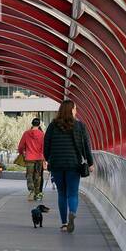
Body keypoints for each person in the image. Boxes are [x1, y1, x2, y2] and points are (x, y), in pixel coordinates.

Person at [42, 99, 94, 233]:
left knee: (61, 193)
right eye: (75, 108)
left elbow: (46, 145)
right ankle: (72, 212)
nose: (76, 110)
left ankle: (64, 223)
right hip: (73, 164)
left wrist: (48, 159)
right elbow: (86, 146)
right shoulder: (80, 126)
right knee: (72, 193)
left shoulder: (53, 125)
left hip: (57, 164)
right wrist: (90, 162)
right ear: (71, 110)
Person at [17, 118, 46, 201]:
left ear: (32, 124)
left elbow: (21, 146)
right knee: (38, 175)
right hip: (39, 158)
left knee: (29, 175)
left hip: (29, 158)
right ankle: (37, 193)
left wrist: (22, 152)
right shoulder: (42, 134)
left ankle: (31, 190)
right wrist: (44, 158)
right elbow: (44, 147)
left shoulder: (26, 134)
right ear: (39, 124)